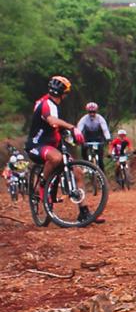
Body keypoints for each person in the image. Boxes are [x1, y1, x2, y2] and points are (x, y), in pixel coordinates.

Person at [24, 76, 103, 225]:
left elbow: (57, 128)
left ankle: (84, 212)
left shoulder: (54, 104)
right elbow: (52, 121)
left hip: (53, 144)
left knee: (78, 172)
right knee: (56, 158)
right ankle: (42, 186)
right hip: (37, 145)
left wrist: (72, 136)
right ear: (63, 93)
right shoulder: (46, 104)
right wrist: (72, 127)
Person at [76, 102, 112, 174]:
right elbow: (79, 129)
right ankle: (86, 165)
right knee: (84, 149)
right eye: (90, 112)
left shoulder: (100, 118)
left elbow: (105, 129)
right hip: (88, 137)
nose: (92, 114)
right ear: (87, 112)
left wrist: (108, 138)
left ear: (96, 111)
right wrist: (77, 137)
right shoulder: (84, 119)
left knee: (100, 157)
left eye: (94, 112)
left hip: (98, 137)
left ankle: (102, 173)